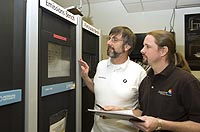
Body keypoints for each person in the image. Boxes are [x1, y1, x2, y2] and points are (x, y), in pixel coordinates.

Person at [128, 30, 200, 132]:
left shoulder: (186, 82)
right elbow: (143, 112)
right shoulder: (146, 80)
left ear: (163, 51)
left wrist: (160, 124)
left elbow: (197, 125)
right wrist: (119, 112)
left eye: (147, 46)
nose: (142, 50)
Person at [79, 26, 147, 132]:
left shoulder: (139, 72)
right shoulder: (101, 65)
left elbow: (144, 111)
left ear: (127, 46)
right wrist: (85, 77)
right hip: (97, 129)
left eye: (114, 40)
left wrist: (120, 111)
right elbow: (97, 90)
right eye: (109, 38)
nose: (109, 43)